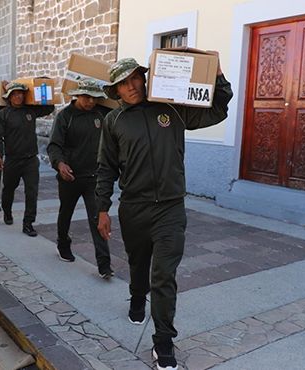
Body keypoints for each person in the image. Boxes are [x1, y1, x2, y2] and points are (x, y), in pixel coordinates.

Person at [95, 56, 233, 370]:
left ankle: (163, 341)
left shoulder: (170, 108)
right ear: (116, 89)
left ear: (144, 79)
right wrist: (103, 207)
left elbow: (216, 110)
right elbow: (106, 167)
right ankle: (136, 296)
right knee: (138, 263)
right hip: (134, 208)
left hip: (170, 208)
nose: (131, 87)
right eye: (123, 83)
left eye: (135, 79)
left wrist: (219, 77)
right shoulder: (113, 122)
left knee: (164, 275)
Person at [47, 78, 113, 279]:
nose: (90, 102)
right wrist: (60, 164)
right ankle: (63, 244)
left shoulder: (102, 115)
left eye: (94, 98)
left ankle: (104, 264)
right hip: (70, 177)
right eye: (86, 97)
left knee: (98, 219)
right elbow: (54, 146)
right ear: (77, 95)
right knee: (65, 212)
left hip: (94, 177)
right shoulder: (65, 116)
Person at [0, 82, 54, 237]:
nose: (18, 96)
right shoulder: (4, 114)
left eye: (21, 93)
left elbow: (49, 108)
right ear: (9, 97)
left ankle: (28, 223)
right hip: (13, 160)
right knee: (8, 189)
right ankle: (7, 212)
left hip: (30, 161)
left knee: (32, 192)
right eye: (14, 94)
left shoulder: (30, 111)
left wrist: (43, 91)